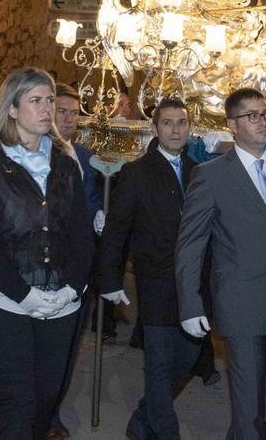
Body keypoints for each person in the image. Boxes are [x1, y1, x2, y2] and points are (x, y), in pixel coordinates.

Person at [0, 67, 96, 439]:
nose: (47, 108)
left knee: (46, 398)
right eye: (35, 100)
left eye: (50, 100)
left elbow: (82, 236)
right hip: (4, 301)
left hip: (62, 302)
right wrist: (24, 294)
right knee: (16, 401)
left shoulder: (66, 164)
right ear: (13, 109)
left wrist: (72, 287)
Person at [175, 87, 266, 439]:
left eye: (265, 114)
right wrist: (190, 304)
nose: (263, 122)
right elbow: (190, 245)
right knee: (249, 401)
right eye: (252, 116)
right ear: (232, 125)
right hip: (242, 302)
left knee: (263, 400)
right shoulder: (212, 174)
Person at [98, 97, 211, 439]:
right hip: (157, 281)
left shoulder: (201, 172)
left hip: (196, 286)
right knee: (160, 364)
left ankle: (141, 419)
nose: (176, 129)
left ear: (189, 128)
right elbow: (117, 230)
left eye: (182, 123)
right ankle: (166, 432)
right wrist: (110, 278)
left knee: (188, 358)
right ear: (155, 129)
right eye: (168, 123)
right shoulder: (135, 172)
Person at [48, 83, 104, 438]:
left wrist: (100, 214)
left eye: (74, 113)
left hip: (81, 266)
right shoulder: (37, 152)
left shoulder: (84, 156)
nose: (69, 119)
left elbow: (94, 196)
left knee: (70, 345)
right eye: (62, 112)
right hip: (47, 263)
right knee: (47, 348)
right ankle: (42, 416)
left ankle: (52, 411)